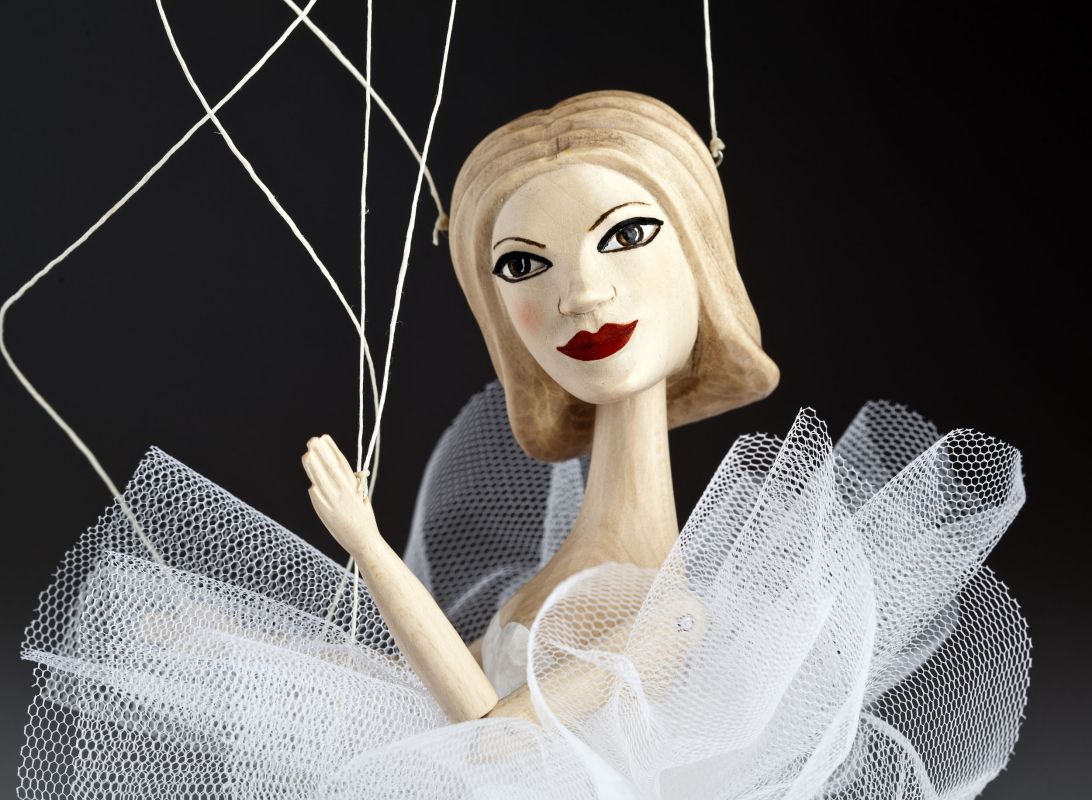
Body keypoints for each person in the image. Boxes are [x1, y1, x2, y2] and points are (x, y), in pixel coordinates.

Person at [20, 92, 1029, 799]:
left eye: (625, 234)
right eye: (521, 264)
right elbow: (426, 689)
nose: (580, 293)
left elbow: (492, 738)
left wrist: (369, 547)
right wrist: (238, 645)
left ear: (701, 250)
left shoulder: (665, 607)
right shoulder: (579, 562)